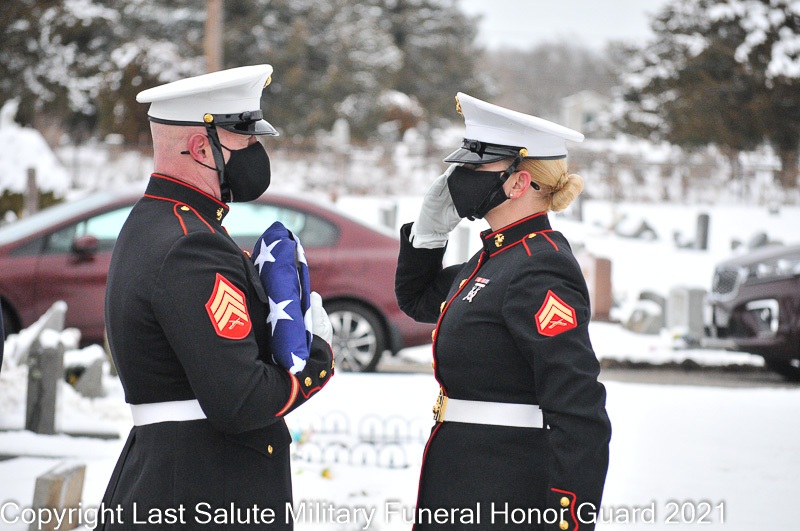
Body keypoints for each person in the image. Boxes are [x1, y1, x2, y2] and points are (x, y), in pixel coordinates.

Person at [98, 65, 334, 530]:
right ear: (201, 147)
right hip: (204, 492)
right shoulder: (192, 244)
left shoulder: (160, 221)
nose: (256, 152)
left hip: (180, 477)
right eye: (244, 140)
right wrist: (317, 356)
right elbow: (241, 401)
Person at [395, 92, 611, 531]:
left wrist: (568, 518)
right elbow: (417, 299)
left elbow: (578, 406)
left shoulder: (540, 266)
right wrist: (428, 233)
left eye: (475, 168)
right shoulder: (495, 257)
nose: (459, 178)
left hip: (504, 492)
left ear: (517, 183)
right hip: (463, 480)